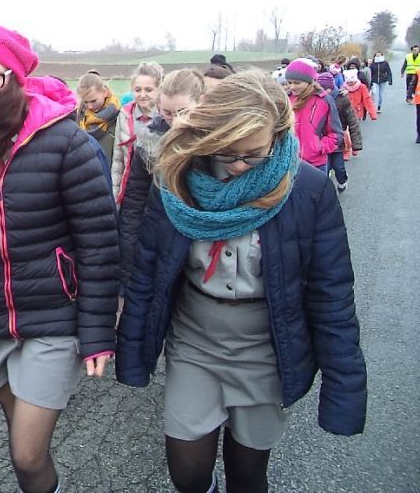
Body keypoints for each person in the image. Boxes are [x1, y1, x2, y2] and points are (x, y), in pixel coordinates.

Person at [116, 69, 367, 493]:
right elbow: (147, 271)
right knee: (187, 474)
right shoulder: (175, 179)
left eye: (253, 155)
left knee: (248, 475)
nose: (236, 166)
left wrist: (344, 390)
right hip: (195, 345)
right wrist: (131, 347)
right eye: (225, 151)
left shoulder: (307, 190)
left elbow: (332, 297)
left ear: (277, 135)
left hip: (267, 352)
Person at [0, 25, 119, 493]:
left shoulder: (66, 143)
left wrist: (97, 332)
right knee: (23, 445)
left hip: (55, 318)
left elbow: (99, 245)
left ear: (15, 78)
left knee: (27, 453)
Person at [117, 69, 205, 290]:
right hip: (160, 230)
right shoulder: (149, 139)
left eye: (183, 112)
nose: (176, 121)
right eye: (167, 112)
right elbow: (136, 197)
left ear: (201, 102)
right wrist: (129, 246)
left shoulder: (215, 141)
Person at [111, 61, 164, 205]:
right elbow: (118, 159)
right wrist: (115, 196)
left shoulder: (165, 116)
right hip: (131, 187)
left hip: (158, 187)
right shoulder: (124, 115)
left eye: (148, 90)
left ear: (159, 90)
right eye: (137, 90)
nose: (142, 95)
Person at [285, 59, 343, 173]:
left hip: (316, 164)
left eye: (297, 83)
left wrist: (319, 147)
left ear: (309, 81)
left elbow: (336, 134)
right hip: (289, 163)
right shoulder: (285, 100)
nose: (292, 87)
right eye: (289, 82)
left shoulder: (324, 101)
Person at [316, 72, 362, 192]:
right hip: (321, 141)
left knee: (339, 167)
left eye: (326, 89)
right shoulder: (316, 100)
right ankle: (325, 192)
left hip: (337, 139)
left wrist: (356, 144)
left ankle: (342, 181)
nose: (324, 92)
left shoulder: (342, 99)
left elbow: (353, 122)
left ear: (331, 88)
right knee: (324, 169)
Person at [76, 70, 122, 162]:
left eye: (93, 101)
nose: (90, 106)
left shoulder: (120, 117)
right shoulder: (77, 119)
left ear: (105, 92)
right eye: (85, 102)